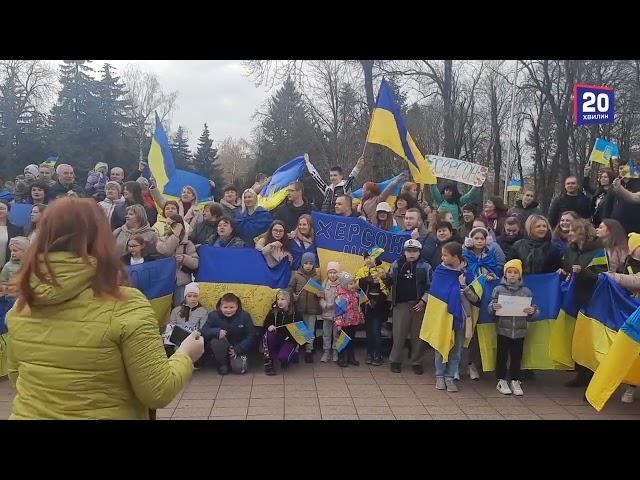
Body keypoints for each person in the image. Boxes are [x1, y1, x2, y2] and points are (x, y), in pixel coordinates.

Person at [5, 197, 203, 419]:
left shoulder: (21, 306)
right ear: (102, 238)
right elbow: (157, 392)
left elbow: (17, 376)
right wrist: (186, 355)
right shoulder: (126, 304)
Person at [561, 218, 608, 388]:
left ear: (583, 232)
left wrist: (583, 272)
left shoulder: (598, 251)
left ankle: (592, 375)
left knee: (590, 337)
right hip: (575, 298)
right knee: (578, 336)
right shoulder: (571, 249)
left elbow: (601, 276)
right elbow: (567, 266)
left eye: (573, 230)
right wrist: (564, 271)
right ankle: (581, 373)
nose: (570, 233)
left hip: (592, 297)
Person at [489, 259, 538, 396]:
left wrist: (533, 311)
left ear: (520, 275)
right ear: (505, 274)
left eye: (515, 272)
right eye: (509, 272)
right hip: (503, 330)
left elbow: (533, 310)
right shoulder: (498, 289)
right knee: (502, 356)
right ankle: (502, 380)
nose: (512, 275)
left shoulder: (526, 291)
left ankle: (515, 380)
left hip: (520, 331)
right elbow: (491, 307)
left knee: (517, 357)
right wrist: (493, 308)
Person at [432, 241, 476, 392]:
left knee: (456, 349)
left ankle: (450, 377)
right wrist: (455, 290)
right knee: (441, 346)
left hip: (462, 316)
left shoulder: (467, 272)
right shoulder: (440, 270)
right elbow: (437, 292)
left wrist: (463, 286)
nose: (442, 258)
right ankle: (439, 376)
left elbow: (475, 296)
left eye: (445, 255)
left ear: (455, 256)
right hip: (444, 316)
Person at [385, 239, 432, 375]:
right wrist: (384, 278)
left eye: (415, 251)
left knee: (418, 335)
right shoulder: (396, 264)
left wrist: (423, 301)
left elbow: (431, 286)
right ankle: (395, 360)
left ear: (419, 252)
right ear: (404, 251)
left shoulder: (426, 266)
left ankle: (417, 361)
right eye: (408, 251)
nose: (411, 254)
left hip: (419, 305)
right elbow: (389, 280)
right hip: (401, 304)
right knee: (399, 334)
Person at [607, 232, 640, 404]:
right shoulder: (625, 264)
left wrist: (613, 277)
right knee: (631, 351)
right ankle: (630, 387)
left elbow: (636, 281)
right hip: (629, 313)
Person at [201, 293, 257, 375]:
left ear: (237, 307)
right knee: (216, 341)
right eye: (225, 307)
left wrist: (239, 349)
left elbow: (251, 335)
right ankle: (222, 364)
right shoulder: (213, 316)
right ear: (220, 307)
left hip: (238, 347)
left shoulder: (245, 316)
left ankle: (235, 361)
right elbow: (204, 331)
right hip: (222, 346)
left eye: (232, 307)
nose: (228, 310)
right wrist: (216, 331)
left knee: (240, 369)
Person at [155, 214, 199, 306]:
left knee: (180, 306)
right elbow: (166, 251)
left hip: (181, 282)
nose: (166, 226)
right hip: (164, 281)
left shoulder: (187, 243)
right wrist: (175, 236)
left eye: (170, 224)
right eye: (166, 223)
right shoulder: (160, 240)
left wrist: (184, 258)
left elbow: (195, 263)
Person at [355, 253, 390, 366]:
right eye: (367, 258)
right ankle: (369, 354)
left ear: (377, 259)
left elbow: (386, 289)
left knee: (376, 331)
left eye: (371, 258)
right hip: (366, 306)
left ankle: (377, 354)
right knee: (369, 332)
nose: (369, 260)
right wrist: (367, 279)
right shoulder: (361, 270)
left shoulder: (381, 270)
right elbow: (357, 284)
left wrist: (377, 299)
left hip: (378, 306)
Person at [289, 252, 322, 362]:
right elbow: (290, 288)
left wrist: (319, 294)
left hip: (312, 309)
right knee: (299, 329)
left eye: (311, 263)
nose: (308, 265)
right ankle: (297, 349)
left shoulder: (317, 277)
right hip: (299, 308)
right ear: (302, 264)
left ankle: (309, 350)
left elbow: (321, 291)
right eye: (306, 263)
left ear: (314, 265)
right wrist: (293, 296)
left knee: (310, 331)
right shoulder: (297, 276)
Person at [163, 282, 208, 357]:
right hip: (177, 337)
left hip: (193, 337)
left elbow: (203, 328)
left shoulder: (203, 311)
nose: (192, 299)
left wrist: (196, 334)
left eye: (195, 296)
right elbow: (171, 326)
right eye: (189, 296)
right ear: (185, 297)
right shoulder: (176, 310)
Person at [262, 290, 300, 375]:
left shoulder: (295, 314)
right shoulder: (273, 312)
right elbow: (265, 323)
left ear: (289, 300)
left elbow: (301, 332)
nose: (280, 301)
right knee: (268, 336)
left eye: (283, 299)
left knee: (284, 358)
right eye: (278, 299)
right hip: (277, 338)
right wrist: (269, 326)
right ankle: (269, 362)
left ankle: (285, 356)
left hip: (289, 340)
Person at [334, 271, 365, 367]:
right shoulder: (340, 296)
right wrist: (339, 323)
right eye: (350, 283)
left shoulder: (355, 294)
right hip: (344, 323)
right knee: (343, 340)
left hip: (353, 322)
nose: (353, 285)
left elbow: (358, 307)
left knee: (352, 340)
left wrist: (361, 317)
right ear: (344, 284)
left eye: (353, 283)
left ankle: (351, 357)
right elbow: (338, 312)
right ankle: (341, 358)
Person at [320, 261, 341, 363]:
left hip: (337, 315)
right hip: (326, 314)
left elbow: (343, 299)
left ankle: (335, 352)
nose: (332, 275)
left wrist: (335, 303)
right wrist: (324, 304)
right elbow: (320, 298)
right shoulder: (324, 284)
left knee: (336, 335)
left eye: (334, 272)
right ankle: (326, 352)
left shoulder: (341, 285)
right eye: (330, 272)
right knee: (326, 334)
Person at [608, 167, 640, 234]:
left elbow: (635, 197)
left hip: (634, 228)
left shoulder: (637, 183)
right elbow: (633, 197)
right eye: (620, 168)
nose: (622, 170)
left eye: (624, 168)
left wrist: (620, 189)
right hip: (618, 227)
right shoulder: (615, 186)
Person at [0, 201, 24, 268]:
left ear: (8, 212)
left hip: (7, 267)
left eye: (1, 208)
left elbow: (20, 249)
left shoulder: (17, 229)